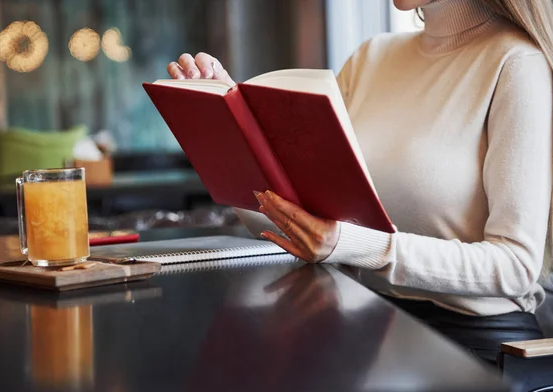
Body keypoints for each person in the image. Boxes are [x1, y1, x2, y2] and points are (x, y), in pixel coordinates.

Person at [167, 0, 553, 366]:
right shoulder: (371, 58)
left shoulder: (516, 63)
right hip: (367, 328)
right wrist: (231, 129)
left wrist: (357, 246)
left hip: (473, 346)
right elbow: (302, 221)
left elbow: (516, 265)